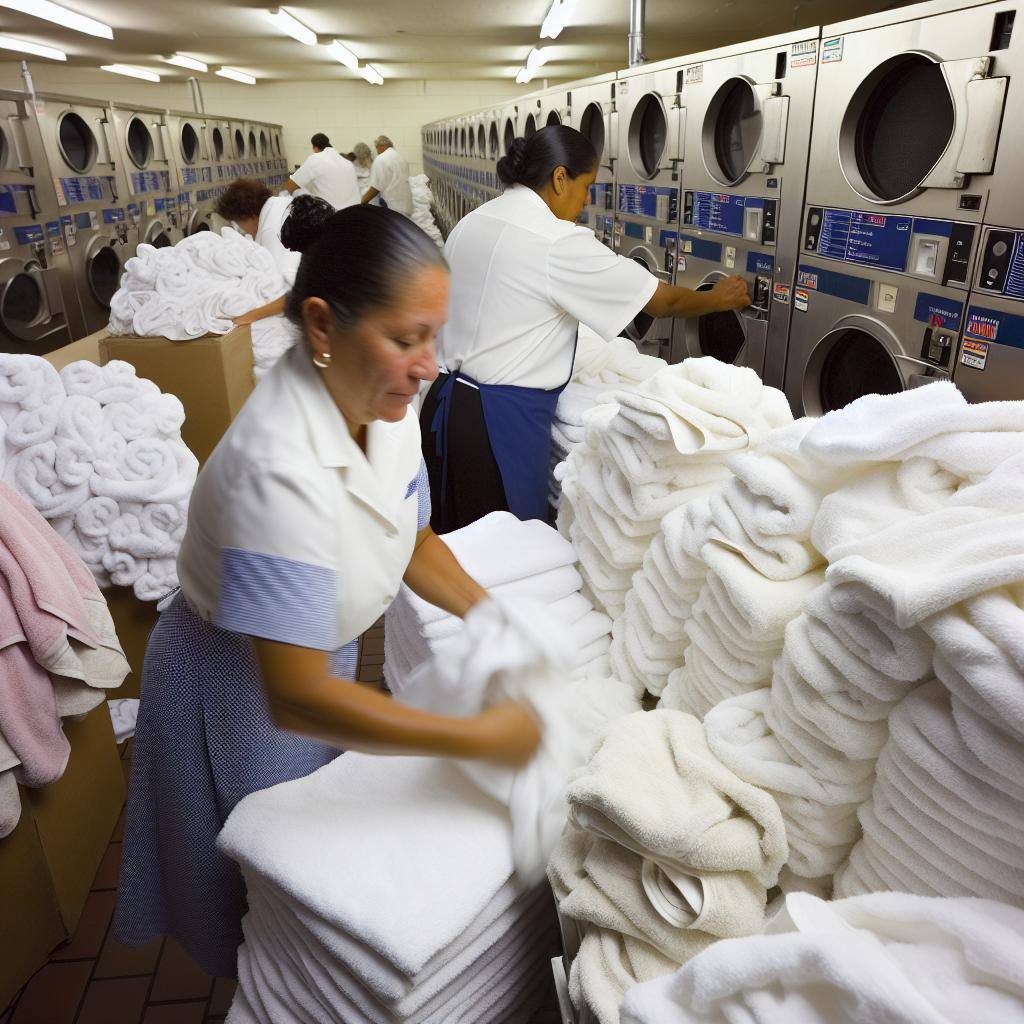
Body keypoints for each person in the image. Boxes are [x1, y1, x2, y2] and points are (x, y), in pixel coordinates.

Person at [113, 200, 542, 979]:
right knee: (268, 883)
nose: (430, 364)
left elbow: (409, 536)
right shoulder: (280, 466)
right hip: (237, 682)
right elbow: (298, 696)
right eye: (407, 338)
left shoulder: (380, 402)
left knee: (309, 849)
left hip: (313, 652)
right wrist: (476, 738)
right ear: (321, 325)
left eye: (433, 336)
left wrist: (493, 618)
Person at [420, 125, 751, 534]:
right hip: (497, 425)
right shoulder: (556, 241)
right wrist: (719, 299)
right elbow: (661, 302)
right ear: (560, 178)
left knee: (460, 541)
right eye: (587, 186)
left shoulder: (475, 220)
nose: (586, 201)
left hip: (443, 405)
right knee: (506, 549)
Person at [215, 178, 334, 326]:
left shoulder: (271, 230)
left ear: (245, 216)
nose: (243, 230)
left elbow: (291, 294)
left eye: (238, 224)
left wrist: (247, 317)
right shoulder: (280, 205)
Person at [286, 132, 362, 211]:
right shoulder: (347, 162)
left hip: (332, 215)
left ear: (315, 148)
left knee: (299, 191)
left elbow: (290, 185)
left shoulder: (316, 159)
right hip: (355, 212)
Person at [361, 134, 414, 217]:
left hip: (393, 208)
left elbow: (376, 187)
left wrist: (363, 202)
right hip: (406, 206)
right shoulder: (401, 158)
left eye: (376, 149)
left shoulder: (381, 159)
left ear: (379, 146)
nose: (376, 152)